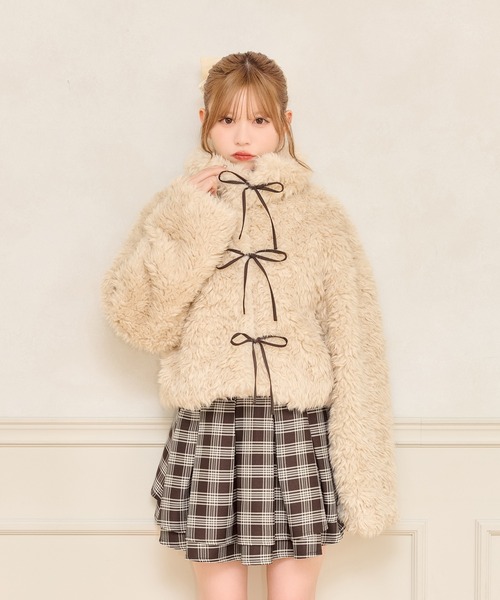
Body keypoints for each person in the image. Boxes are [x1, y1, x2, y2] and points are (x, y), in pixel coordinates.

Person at [102, 51, 397, 600]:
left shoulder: (320, 217)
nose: (242, 135)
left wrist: (365, 476)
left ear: (285, 122)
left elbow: (356, 343)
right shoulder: (176, 207)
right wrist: (188, 221)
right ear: (204, 121)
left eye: (260, 119)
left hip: (296, 427)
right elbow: (141, 323)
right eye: (227, 119)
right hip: (212, 423)